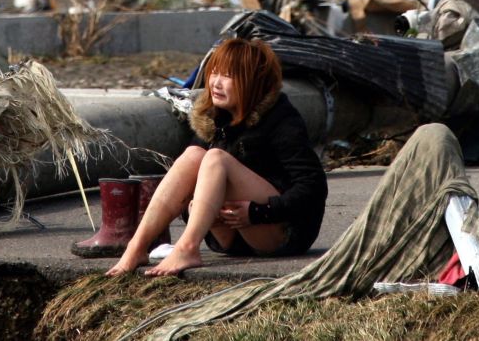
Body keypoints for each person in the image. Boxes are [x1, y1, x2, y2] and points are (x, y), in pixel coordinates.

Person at [106, 38, 327, 276]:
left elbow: (313, 187)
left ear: (253, 81)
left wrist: (257, 212)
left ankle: (187, 248)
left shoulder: (282, 119)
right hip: (229, 239)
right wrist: (193, 210)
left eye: (228, 76)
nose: (216, 83)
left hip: (279, 232)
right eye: (214, 73)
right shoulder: (213, 118)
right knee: (193, 155)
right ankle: (137, 247)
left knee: (216, 159)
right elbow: (187, 188)